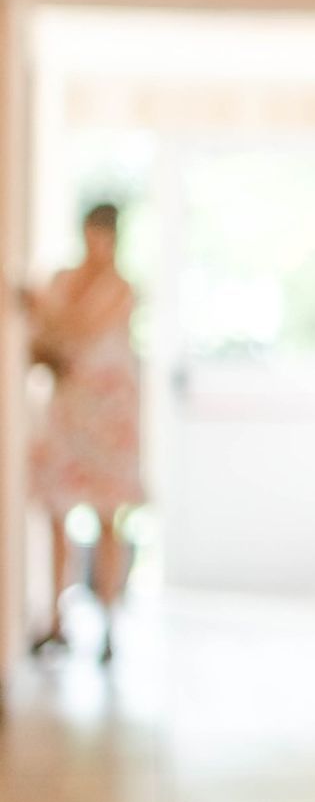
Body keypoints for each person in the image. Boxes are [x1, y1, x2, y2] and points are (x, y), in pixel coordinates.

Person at [22, 202, 144, 663]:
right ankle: (56, 619)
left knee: (108, 516)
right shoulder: (63, 281)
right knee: (56, 512)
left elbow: (72, 329)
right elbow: (43, 341)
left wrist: (49, 316)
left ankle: (108, 620)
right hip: (68, 412)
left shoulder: (120, 288)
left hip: (109, 417)